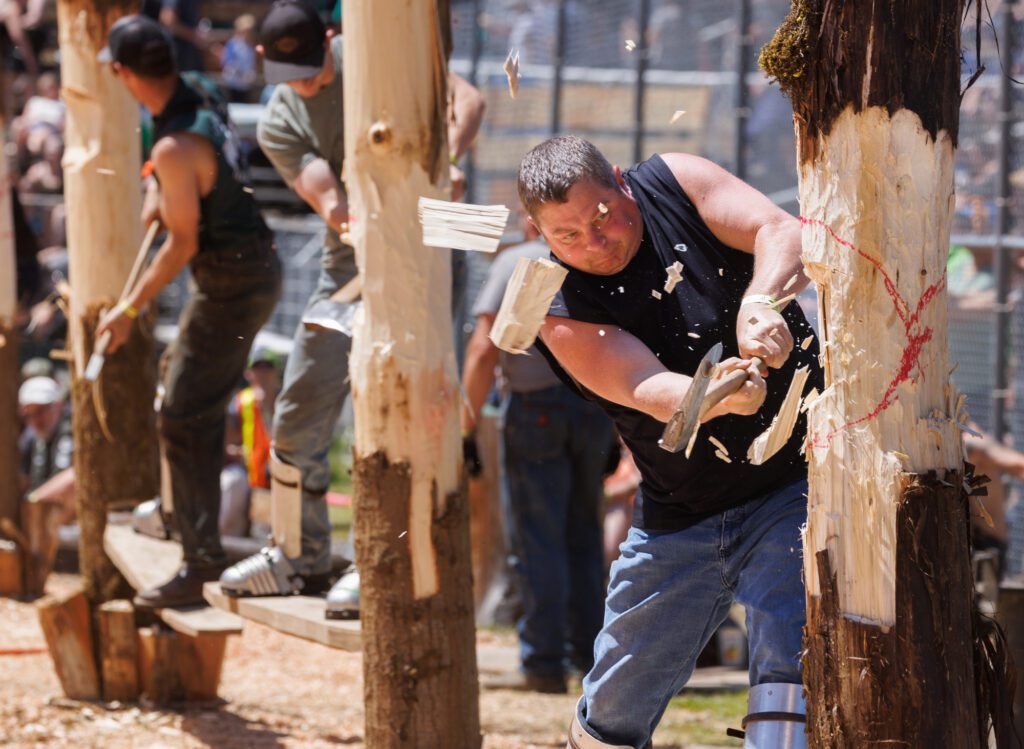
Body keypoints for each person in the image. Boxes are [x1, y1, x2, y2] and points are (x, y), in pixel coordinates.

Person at [516, 135, 821, 748]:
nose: (593, 245)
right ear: (538, 233)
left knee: (787, 640)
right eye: (567, 235)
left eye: (601, 217)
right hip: (680, 513)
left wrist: (761, 303)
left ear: (622, 182)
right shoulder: (549, 304)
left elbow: (780, 229)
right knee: (615, 704)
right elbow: (643, 386)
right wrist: (714, 396)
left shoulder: (676, 181)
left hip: (797, 480)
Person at [219, 0, 485, 616]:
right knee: (298, 409)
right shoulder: (278, 121)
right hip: (352, 264)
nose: (310, 83)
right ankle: (297, 552)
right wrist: (357, 219)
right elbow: (327, 198)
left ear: (332, 40)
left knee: (416, 410)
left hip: (433, 251)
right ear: (263, 61)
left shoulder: (376, 56)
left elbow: (468, 102)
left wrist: (440, 165)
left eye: (316, 69)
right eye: (296, 76)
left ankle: (388, 561)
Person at [97, 15, 282, 608]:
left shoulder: (176, 145)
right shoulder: (196, 90)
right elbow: (187, 178)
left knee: (183, 415)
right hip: (249, 266)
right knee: (189, 400)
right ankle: (187, 525)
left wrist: (129, 308)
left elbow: (180, 243)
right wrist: (161, 192)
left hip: (231, 280)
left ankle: (199, 561)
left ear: (124, 73)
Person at [463, 226, 614, 694]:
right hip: (595, 405)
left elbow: (485, 348)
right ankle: (590, 660)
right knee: (582, 536)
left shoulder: (519, 261)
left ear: (532, 221)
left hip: (536, 408)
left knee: (536, 538)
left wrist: (464, 427)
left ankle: (543, 661)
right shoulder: (593, 259)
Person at [18, 376, 71, 495]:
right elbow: (23, 479)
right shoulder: (29, 439)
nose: (35, 420)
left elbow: (75, 475)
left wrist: (36, 499)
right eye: (28, 414)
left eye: (40, 411)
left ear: (58, 405)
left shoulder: (73, 428)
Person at [219, 14, 258, 103]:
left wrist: (252, 74)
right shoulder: (233, 44)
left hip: (246, 84)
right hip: (233, 83)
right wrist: (237, 71)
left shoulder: (250, 46)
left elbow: (252, 64)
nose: (248, 34)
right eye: (246, 31)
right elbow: (226, 62)